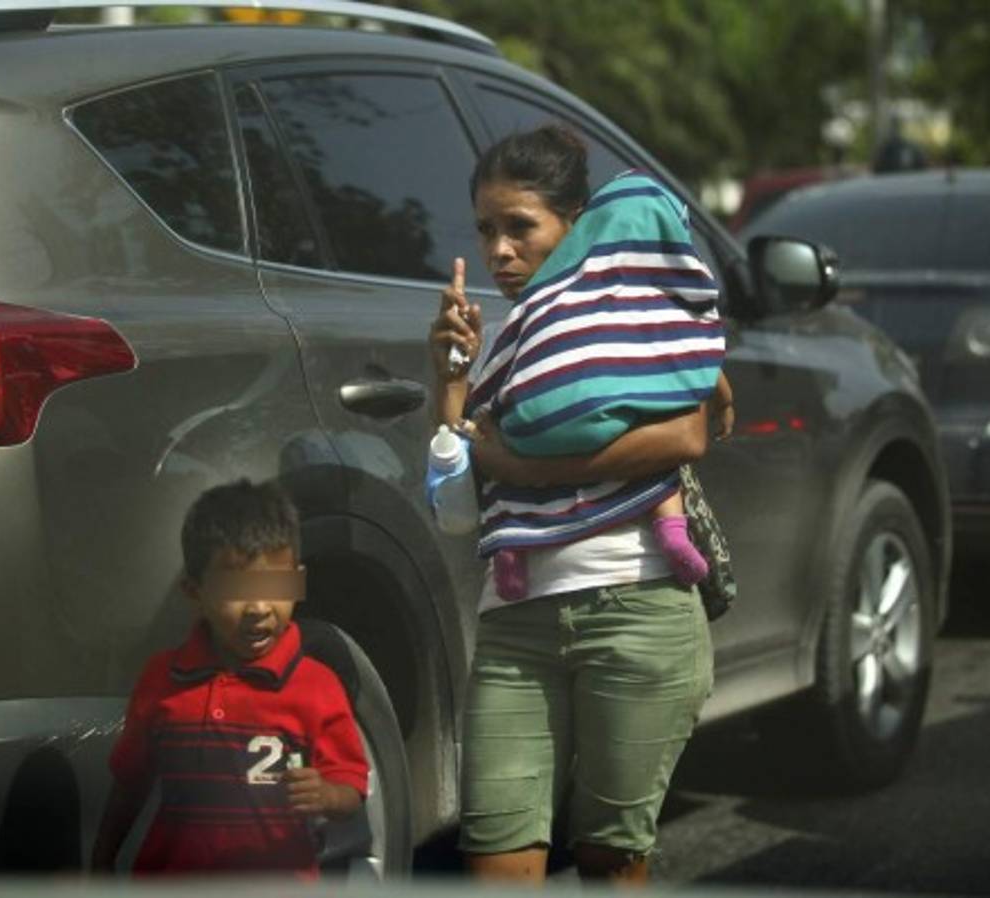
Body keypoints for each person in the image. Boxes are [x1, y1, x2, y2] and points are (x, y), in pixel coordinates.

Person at [428, 124, 726, 885]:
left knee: (609, 854)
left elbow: (689, 433)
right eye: (487, 231)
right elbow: (461, 513)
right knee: (494, 852)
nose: (499, 251)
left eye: (521, 228)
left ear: (575, 226)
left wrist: (523, 467)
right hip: (515, 627)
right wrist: (453, 384)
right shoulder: (504, 345)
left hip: (638, 610)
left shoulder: (639, 321)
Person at [90, 479, 368, 878]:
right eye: (236, 590)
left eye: (275, 587)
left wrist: (327, 795)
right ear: (194, 591)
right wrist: (101, 859)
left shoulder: (316, 687)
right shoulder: (163, 679)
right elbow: (130, 782)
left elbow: (351, 787)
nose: (258, 608)